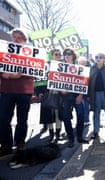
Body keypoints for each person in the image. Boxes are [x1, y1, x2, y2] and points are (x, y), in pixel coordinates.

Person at [0, 29, 34, 158]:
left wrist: (18, 75)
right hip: (7, 90)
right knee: (3, 119)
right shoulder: (4, 52)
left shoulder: (31, 54)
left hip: (24, 91)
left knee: (22, 119)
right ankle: (6, 145)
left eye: (19, 38)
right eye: (13, 38)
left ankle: (20, 143)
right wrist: (7, 75)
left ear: (25, 41)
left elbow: (36, 70)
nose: (15, 40)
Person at [61, 48, 89, 148]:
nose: (67, 56)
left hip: (77, 95)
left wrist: (81, 95)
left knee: (81, 116)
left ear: (73, 56)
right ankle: (71, 138)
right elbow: (56, 81)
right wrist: (61, 90)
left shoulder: (79, 68)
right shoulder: (61, 67)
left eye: (69, 54)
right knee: (65, 117)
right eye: (65, 54)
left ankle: (80, 137)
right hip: (66, 96)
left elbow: (84, 82)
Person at [38, 49, 63, 143]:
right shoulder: (45, 66)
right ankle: (51, 135)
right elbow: (39, 79)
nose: (58, 56)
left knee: (58, 116)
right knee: (48, 116)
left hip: (59, 95)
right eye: (56, 54)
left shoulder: (63, 66)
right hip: (47, 94)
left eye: (59, 55)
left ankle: (58, 134)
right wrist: (39, 92)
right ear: (51, 55)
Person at [88, 53, 105, 139]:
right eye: (96, 57)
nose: (98, 59)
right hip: (95, 94)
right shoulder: (91, 69)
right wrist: (88, 95)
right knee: (96, 113)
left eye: (100, 57)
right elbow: (88, 82)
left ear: (104, 59)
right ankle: (95, 132)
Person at [78, 56, 91, 127]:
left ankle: (86, 120)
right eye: (80, 63)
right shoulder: (76, 70)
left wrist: (89, 95)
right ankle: (81, 121)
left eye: (83, 62)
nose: (82, 64)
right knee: (80, 108)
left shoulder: (88, 71)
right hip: (78, 92)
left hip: (86, 93)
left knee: (86, 108)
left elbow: (90, 83)